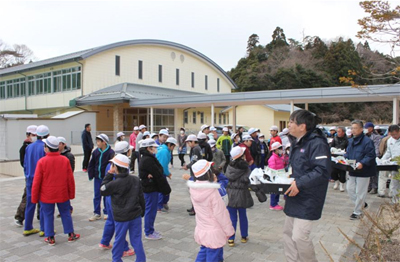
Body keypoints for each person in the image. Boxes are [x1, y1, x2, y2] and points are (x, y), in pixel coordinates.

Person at [283, 109, 331, 262]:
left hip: (309, 196)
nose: (288, 125)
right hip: (294, 194)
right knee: (288, 233)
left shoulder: (317, 143)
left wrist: (300, 182)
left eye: (291, 122)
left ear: (302, 126)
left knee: (299, 236)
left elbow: (322, 170)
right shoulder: (296, 142)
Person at [31, 136, 80, 245]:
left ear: (47, 148)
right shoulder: (64, 160)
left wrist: (34, 198)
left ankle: (50, 237)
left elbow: (37, 182)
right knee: (65, 213)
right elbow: (70, 180)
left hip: (46, 195)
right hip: (62, 193)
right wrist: (71, 194)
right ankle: (71, 234)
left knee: (48, 215)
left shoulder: (42, 162)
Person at [100, 154, 146, 262]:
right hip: (135, 215)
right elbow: (141, 197)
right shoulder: (135, 179)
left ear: (115, 167)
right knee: (136, 240)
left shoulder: (114, 183)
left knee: (119, 239)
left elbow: (102, 189)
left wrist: (109, 174)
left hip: (121, 218)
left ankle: (116, 259)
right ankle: (141, 260)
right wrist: (142, 211)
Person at [187, 160, 235, 262]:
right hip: (214, 231)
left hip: (203, 227)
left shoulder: (194, 189)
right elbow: (221, 214)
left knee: (204, 251)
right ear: (207, 173)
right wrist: (229, 231)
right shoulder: (213, 192)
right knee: (213, 255)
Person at [99, 141, 135, 258]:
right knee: (120, 224)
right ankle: (123, 248)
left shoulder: (112, 163)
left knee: (111, 220)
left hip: (109, 196)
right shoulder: (121, 164)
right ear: (126, 152)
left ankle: (104, 241)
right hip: (116, 198)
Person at [139, 138, 171, 240]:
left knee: (152, 210)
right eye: (153, 147)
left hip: (152, 187)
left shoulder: (149, 157)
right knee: (150, 210)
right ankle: (148, 232)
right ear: (148, 148)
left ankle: (151, 229)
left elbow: (159, 169)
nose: (155, 149)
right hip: (150, 188)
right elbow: (158, 172)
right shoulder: (147, 159)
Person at [345, 120, 376, 220]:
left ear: (361, 129)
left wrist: (362, 163)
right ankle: (362, 204)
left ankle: (357, 212)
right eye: (352, 128)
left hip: (364, 170)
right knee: (349, 189)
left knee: (360, 192)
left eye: (355, 128)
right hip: (352, 169)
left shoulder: (367, 141)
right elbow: (348, 153)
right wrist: (344, 158)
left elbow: (370, 155)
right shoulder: (350, 140)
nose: (353, 130)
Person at [23, 125, 49, 236]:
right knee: (43, 204)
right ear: (47, 135)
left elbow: (25, 164)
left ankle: (28, 227)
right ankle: (44, 228)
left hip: (29, 179)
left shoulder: (29, 147)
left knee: (30, 203)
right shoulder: (45, 147)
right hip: (41, 180)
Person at [225, 146, 253, 247]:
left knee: (232, 217)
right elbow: (247, 179)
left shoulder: (229, 166)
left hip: (230, 194)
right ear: (241, 156)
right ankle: (244, 236)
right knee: (243, 215)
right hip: (242, 194)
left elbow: (226, 178)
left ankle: (231, 239)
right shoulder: (245, 167)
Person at [88, 134, 115, 221]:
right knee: (97, 195)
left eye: (99, 141)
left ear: (104, 142)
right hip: (97, 177)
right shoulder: (95, 152)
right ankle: (97, 213)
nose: (97, 143)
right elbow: (91, 164)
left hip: (106, 178)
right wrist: (91, 174)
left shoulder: (111, 152)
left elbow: (112, 165)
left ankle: (106, 211)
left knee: (106, 195)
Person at [14, 125, 37, 227]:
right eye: (33, 135)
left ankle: (41, 216)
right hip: (31, 177)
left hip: (38, 175)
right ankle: (19, 217)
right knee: (27, 197)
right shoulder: (24, 148)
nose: (35, 136)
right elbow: (24, 164)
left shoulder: (39, 146)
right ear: (28, 135)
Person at [183, 134, 203, 216]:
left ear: (193, 142)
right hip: (196, 171)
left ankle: (195, 209)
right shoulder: (196, 148)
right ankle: (193, 207)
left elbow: (194, 161)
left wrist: (187, 166)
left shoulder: (196, 149)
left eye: (189, 142)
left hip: (196, 172)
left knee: (194, 191)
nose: (188, 144)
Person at [380, 125, 400, 203]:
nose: (394, 136)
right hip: (394, 165)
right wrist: (382, 161)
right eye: (392, 135)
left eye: (395, 134)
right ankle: (395, 201)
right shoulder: (390, 140)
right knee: (394, 183)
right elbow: (388, 152)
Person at [156, 137, 177, 213]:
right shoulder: (164, 151)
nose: (173, 148)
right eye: (173, 146)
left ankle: (163, 203)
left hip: (160, 172)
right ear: (169, 144)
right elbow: (163, 165)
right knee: (162, 190)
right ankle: (159, 206)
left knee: (165, 189)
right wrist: (167, 173)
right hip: (160, 173)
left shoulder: (164, 149)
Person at [364, 122, 382, 194]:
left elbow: (377, 147)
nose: (365, 129)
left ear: (371, 128)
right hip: (365, 156)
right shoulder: (364, 136)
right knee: (367, 172)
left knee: (374, 173)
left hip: (373, 156)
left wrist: (375, 156)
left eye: (367, 128)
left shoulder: (376, 136)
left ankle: (374, 187)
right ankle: (369, 186)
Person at [330, 127, 349, 192]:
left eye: (339, 131)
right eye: (337, 131)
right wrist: (332, 150)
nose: (338, 133)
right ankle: (336, 180)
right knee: (333, 171)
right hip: (335, 156)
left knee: (342, 171)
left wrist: (345, 152)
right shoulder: (335, 138)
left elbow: (348, 148)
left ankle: (342, 184)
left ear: (343, 132)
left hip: (343, 157)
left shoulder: (347, 139)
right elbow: (331, 146)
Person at [268, 142, 285, 211]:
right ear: (275, 150)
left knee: (277, 191)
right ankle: (273, 204)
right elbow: (272, 169)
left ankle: (276, 203)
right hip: (275, 177)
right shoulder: (273, 158)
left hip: (279, 176)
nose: (281, 150)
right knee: (274, 191)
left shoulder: (279, 157)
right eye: (279, 148)